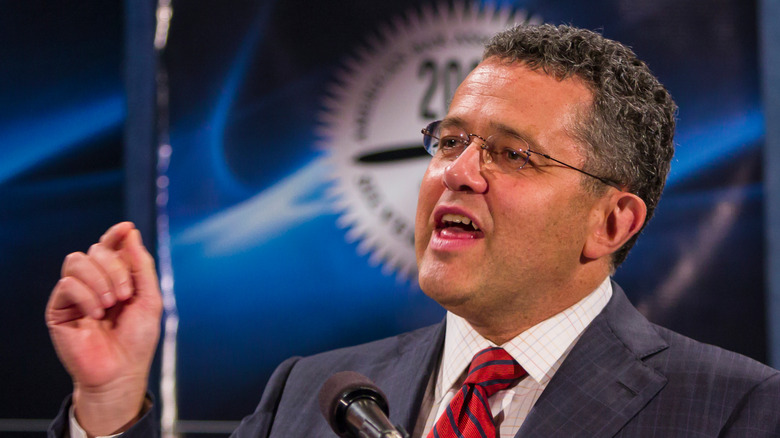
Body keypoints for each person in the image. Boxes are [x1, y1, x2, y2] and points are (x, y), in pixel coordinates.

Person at [46, 24, 779, 438]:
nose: (457, 172)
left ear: (611, 221)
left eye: (512, 153)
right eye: (450, 140)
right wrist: (109, 401)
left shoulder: (739, 409)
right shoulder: (308, 395)